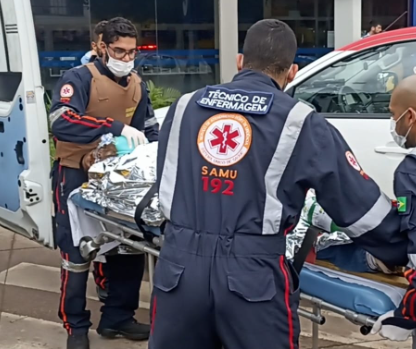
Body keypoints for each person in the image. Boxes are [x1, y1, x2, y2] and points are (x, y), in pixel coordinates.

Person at [150, 19, 408, 349]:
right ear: (292, 72)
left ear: (239, 62)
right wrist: (401, 247)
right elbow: (359, 207)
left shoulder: (184, 106)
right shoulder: (300, 121)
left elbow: (170, 179)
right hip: (250, 279)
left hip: (178, 271)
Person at [50, 17, 158, 349]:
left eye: (131, 52)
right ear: (102, 47)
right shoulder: (79, 79)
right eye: (118, 51)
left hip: (116, 176)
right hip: (75, 173)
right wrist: (113, 127)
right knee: (78, 251)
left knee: (127, 246)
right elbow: (61, 120)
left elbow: (150, 129)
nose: (126, 59)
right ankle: (76, 326)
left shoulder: (137, 85)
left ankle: (117, 317)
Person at [371, 75, 416, 341]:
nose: (393, 124)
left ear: (410, 117)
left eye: (393, 115)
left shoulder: (410, 173)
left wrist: (406, 314)